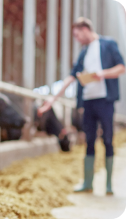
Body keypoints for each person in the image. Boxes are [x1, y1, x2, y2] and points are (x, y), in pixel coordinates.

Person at [38, 17, 125, 195]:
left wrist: (102, 74)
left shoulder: (108, 44)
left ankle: (109, 185)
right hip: (88, 102)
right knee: (89, 141)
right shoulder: (83, 53)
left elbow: (121, 67)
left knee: (108, 139)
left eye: (77, 35)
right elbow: (71, 77)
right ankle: (88, 183)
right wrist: (52, 99)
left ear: (85, 29)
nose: (77, 39)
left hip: (105, 101)